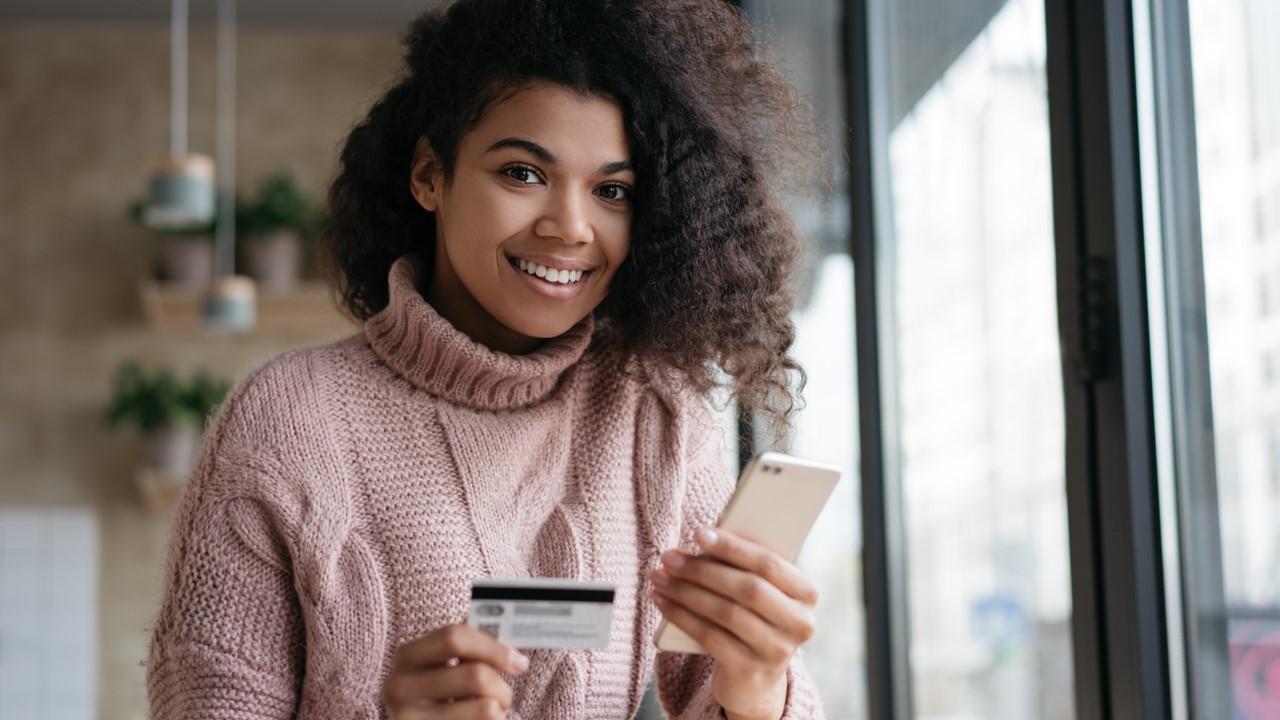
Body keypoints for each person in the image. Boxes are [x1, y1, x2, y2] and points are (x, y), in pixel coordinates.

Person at [146, 0, 826, 718]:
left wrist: (758, 688)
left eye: (612, 191)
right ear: (429, 176)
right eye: (523, 174)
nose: (569, 227)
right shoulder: (283, 420)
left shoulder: (658, 417)